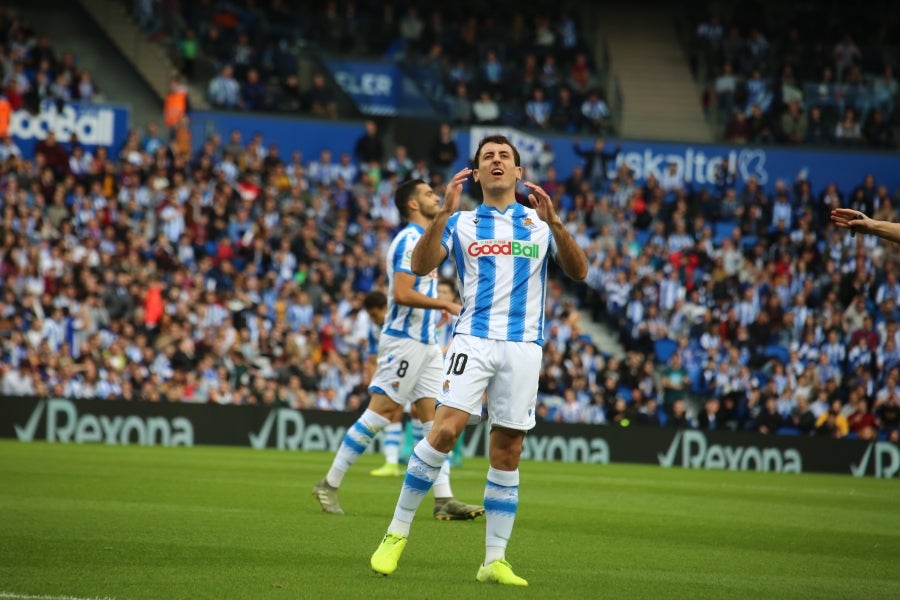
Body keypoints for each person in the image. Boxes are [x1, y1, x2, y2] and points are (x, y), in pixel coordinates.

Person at [370, 134, 588, 586]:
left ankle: (494, 559)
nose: (496, 161)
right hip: (473, 340)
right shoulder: (462, 222)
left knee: (508, 450)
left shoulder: (540, 222)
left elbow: (579, 271)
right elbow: (421, 263)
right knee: (445, 428)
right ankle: (396, 532)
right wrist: (445, 211)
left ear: (517, 172)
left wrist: (557, 224)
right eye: (487, 156)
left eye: (504, 156)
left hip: (525, 346)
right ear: (476, 172)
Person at [313, 178, 484, 522]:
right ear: (413, 205)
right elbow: (403, 292)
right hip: (403, 342)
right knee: (382, 412)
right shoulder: (409, 240)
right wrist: (444, 305)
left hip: (425, 344)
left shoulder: (427, 240)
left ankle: (443, 499)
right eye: (427, 194)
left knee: (433, 421)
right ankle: (328, 484)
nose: (435, 196)